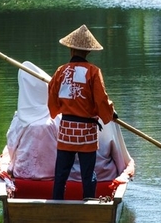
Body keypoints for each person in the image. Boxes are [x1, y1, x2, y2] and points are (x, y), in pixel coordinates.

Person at [48, 24, 117, 200]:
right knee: (88, 174)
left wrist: (58, 110)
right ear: (88, 52)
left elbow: (53, 100)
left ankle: (56, 205)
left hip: (67, 131)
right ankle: (89, 206)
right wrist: (110, 113)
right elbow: (101, 99)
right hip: (86, 132)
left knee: (61, 174)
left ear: (71, 49)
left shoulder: (60, 71)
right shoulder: (93, 72)